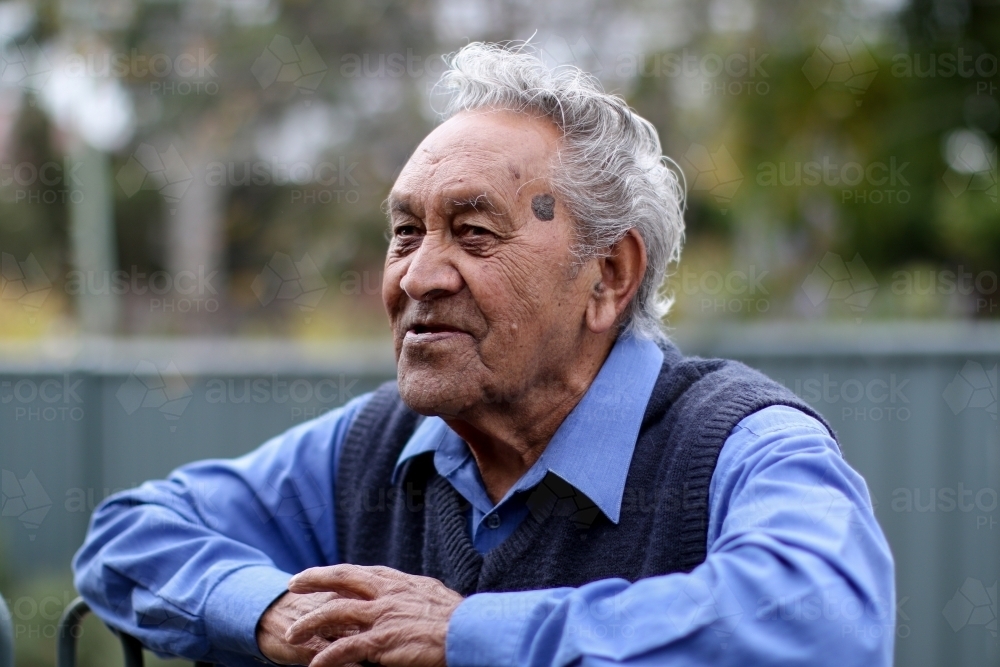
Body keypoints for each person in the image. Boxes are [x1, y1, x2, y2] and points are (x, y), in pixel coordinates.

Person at [74, 42, 895, 667]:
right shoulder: (379, 447)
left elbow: (823, 616)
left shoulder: (736, 443)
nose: (419, 276)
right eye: (405, 232)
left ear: (608, 275)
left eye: (473, 232)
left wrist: (468, 634)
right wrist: (268, 608)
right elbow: (128, 535)